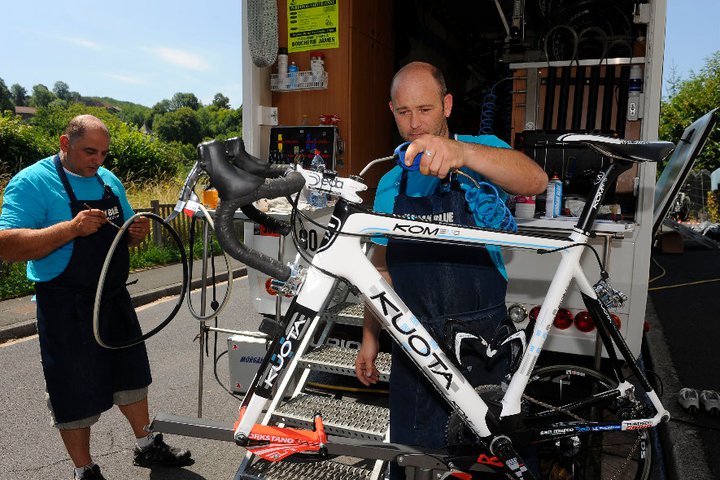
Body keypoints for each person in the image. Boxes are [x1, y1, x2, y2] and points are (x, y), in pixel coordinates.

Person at [354, 62, 547, 478]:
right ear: (391, 110)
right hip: (416, 347)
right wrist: (370, 338)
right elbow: (381, 270)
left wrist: (464, 153)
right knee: (413, 459)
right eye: (403, 112)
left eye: (425, 109)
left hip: (484, 345)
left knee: (493, 460)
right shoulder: (390, 183)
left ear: (447, 104)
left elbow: (536, 181)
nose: (415, 124)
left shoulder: (481, 150)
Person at [0, 115, 193, 480]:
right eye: (90, 151)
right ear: (64, 143)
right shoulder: (32, 182)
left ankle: (146, 446)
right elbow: (7, 246)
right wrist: (70, 229)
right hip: (64, 305)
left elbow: (126, 237)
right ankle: (84, 469)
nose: (97, 161)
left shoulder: (109, 181)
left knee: (131, 375)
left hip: (114, 298)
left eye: (103, 153)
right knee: (72, 388)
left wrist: (136, 232)